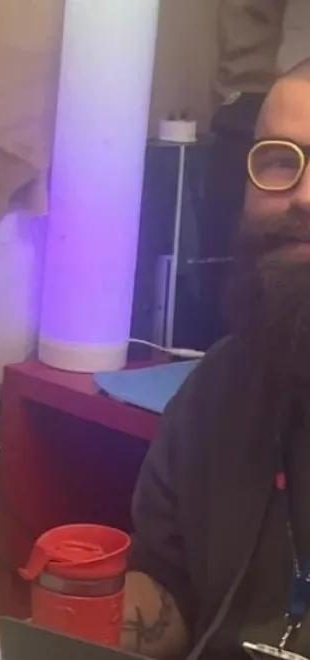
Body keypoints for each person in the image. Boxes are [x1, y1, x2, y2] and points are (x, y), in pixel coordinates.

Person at [122, 58, 310, 660]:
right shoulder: (220, 387)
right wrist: (66, 618)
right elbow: (171, 593)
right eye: (280, 160)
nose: (303, 197)